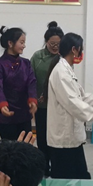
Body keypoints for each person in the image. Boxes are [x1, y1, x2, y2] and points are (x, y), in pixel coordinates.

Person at [47, 33, 93, 179]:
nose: (82, 52)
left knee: (81, 178)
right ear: (74, 49)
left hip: (71, 138)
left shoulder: (67, 70)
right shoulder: (61, 73)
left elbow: (82, 96)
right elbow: (74, 103)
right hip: (64, 140)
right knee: (66, 181)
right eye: (81, 49)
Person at [0, 27, 38, 141]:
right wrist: (1, 104)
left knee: (25, 147)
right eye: (21, 42)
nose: (24, 46)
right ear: (10, 43)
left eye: (24, 43)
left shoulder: (26, 63)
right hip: (6, 113)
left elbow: (32, 82)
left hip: (24, 113)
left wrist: (32, 99)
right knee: (9, 148)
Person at [31, 22, 64, 164]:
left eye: (58, 44)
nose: (55, 47)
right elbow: (30, 80)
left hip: (58, 106)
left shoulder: (64, 57)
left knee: (57, 138)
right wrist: (33, 100)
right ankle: (44, 166)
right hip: (42, 106)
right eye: (52, 43)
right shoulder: (37, 57)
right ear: (46, 41)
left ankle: (56, 165)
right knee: (43, 137)